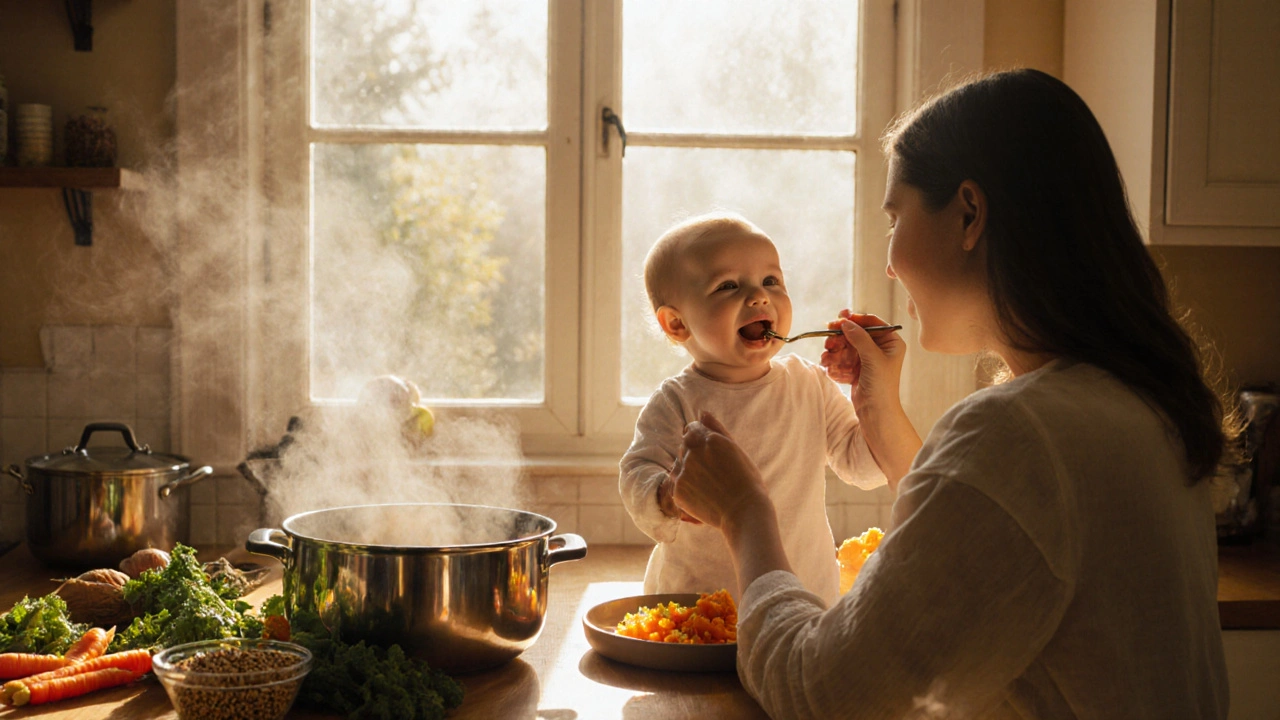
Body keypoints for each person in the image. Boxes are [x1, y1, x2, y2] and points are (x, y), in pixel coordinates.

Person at [668, 69, 1233, 719]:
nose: (889, 261)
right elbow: (983, 546)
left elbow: (821, 693)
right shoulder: (1133, 403)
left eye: (895, 217)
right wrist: (879, 416)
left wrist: (745, 512)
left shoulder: (1023, 434)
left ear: (969, 213)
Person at [619, 211, 888, 607]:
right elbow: (636, 474)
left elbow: (866, 469)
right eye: (727, 285)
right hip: (698, 607)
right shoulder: (676, 401)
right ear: (676, 324)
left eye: (771, 281)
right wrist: (665, 494)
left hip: (802, 602)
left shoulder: (811, 386)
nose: (759, 296)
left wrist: (869, 393)